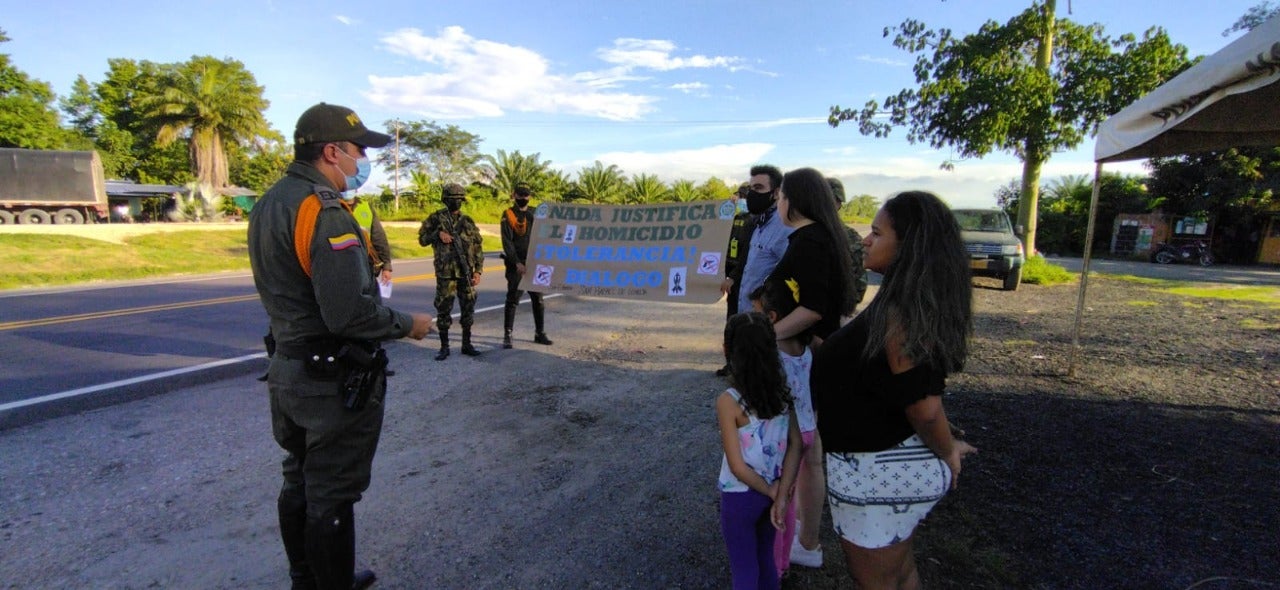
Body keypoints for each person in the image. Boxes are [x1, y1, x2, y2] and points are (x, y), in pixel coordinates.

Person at [247, 102, 433, 590]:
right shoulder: (324, 211)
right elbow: (348, 312)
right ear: (332, 151)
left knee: (299, 478)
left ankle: (305, 579)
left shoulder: (271, 201)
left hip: (288, 369)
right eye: (357, 151)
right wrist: (406, 324)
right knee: (330, 492)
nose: (361, 162)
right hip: (327, 381)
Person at [811, 190, 978, 590]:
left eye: (876, 232)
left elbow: (924, 407)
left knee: (877, 582)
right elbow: (907, 387)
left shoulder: (902, 313)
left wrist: (948, 449)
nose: (866, 240)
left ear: (909, 247)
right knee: (899, 573)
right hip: (882, 464)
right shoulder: (905, 302)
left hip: (874, 471)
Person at [717, 311, 803, 590]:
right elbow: (796, 444)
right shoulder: (782, 394)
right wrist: (782, 491)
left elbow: (737, 466)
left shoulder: (729, 402)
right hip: (773, 492)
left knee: (743, 568)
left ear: (727, 350)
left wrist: (770, 491)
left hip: (740, 497)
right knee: (766, 559)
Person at [748, 281, 823, 573]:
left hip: (784, 436)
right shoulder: (804, 345)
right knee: (788, 498)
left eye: (757, 314)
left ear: (774, 318)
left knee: (777, 500)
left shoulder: (773, 351)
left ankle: (773, 564)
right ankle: (783, 561)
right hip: (807, 429)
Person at [766, 167, 857, 344]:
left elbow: (812, 309)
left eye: (782, 197)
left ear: (796, 200)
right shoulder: (816, 235)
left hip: (809, 348)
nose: (778, 203)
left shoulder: (810, 242)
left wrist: (767, 336)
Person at [418, 183, 484, 360]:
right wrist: (437, 235)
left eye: (459, 199)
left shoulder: (468, 221)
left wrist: (478, 271)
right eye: (453, 199)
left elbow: (477, 247)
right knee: (443, 308)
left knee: (468, 307)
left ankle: (466, 344)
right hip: (446, 274)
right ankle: (444, 347)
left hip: (466, 273)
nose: (457, 203)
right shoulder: (435, 219)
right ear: (445, 200)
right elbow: (422, 239)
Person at [733, 165, 794, 321]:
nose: (752, 193)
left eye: (759, 188)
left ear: (776, 193)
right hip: (747, 315)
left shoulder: (784, 228)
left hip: (767, 320)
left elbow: (791, 278)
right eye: (751, 188)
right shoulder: (758, 224)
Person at [500, 183, 552, 349]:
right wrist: (516, 262)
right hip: (516, 264)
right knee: (513, 299)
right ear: (514, 195)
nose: (523, 198)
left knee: (538, 299)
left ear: (530, 196)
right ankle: (507, 335)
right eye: (520, 195)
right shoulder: (508, 214)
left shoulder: (536, 213)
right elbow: (507, 242)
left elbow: (550, 233)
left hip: (536, 263)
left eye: (526, 195)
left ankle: (540, 333)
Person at [716, 182, 755, 377]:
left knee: (746, 321)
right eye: (739, 196)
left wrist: (733, 276)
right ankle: (730, 363)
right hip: (731, 273)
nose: (740, 200)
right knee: (731, 320)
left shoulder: (756, 221)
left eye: (743, 196)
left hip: (743, 276)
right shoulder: (732, 217)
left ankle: (745, 366)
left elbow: (748, 254)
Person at [826, 177, 867, 310]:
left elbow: (858, 284)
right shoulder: (795, 231)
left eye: (831, 199)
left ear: (839, 204)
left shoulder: (851, 238)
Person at [350, 195, 392, 287]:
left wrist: (386, 266)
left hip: (365, 266)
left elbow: (379, 238)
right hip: (339, 268)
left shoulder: (365, 206)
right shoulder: (328, 205)